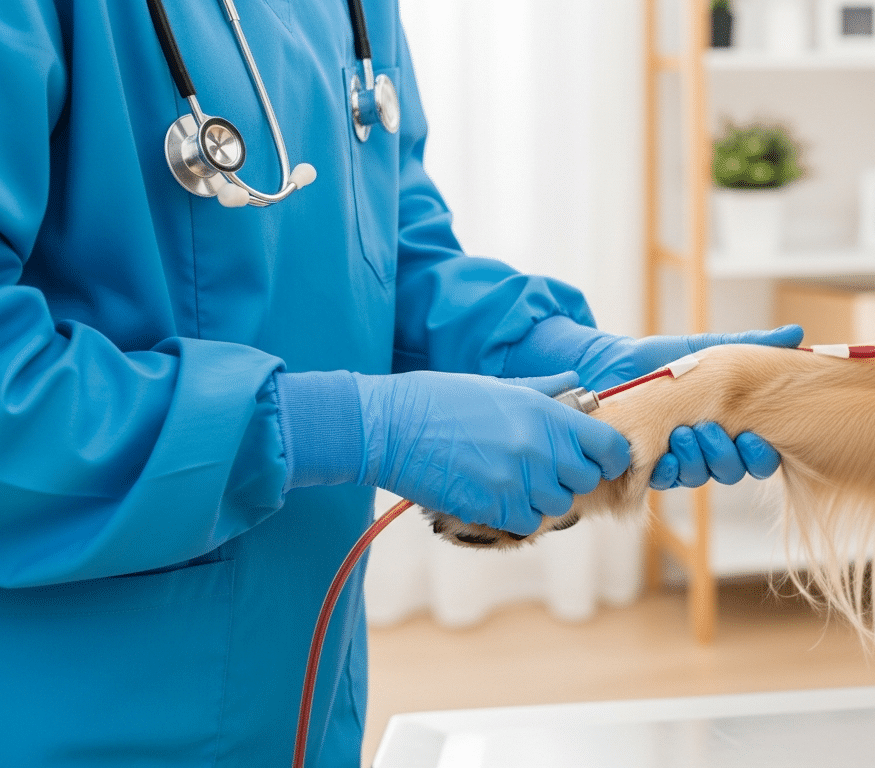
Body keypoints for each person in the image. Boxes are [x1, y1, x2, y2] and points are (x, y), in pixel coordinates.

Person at [0, 1, 801, 765]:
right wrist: (342, 426)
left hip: (305, 688)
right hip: (71, 708)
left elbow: (390, 244)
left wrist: (560, 349)